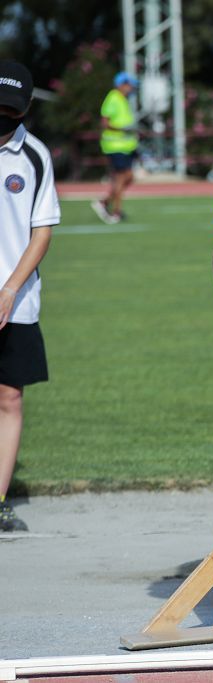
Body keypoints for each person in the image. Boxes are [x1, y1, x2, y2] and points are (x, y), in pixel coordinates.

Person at [0, 60, 59, 532]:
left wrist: (10, 289)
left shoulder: (34, 155)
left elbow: (41, 231)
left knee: (9, 397)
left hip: (15, 300)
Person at [91, 71, 138, 224]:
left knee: (128, 177)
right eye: (129, 85)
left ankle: (104, 202)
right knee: (120, 178)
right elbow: (105, 122)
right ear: (122, 84)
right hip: (115, 145)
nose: (131, 88)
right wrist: (122, 130)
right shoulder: (113, 97)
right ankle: (116, 212)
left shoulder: (122, 99)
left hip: (125, 146)